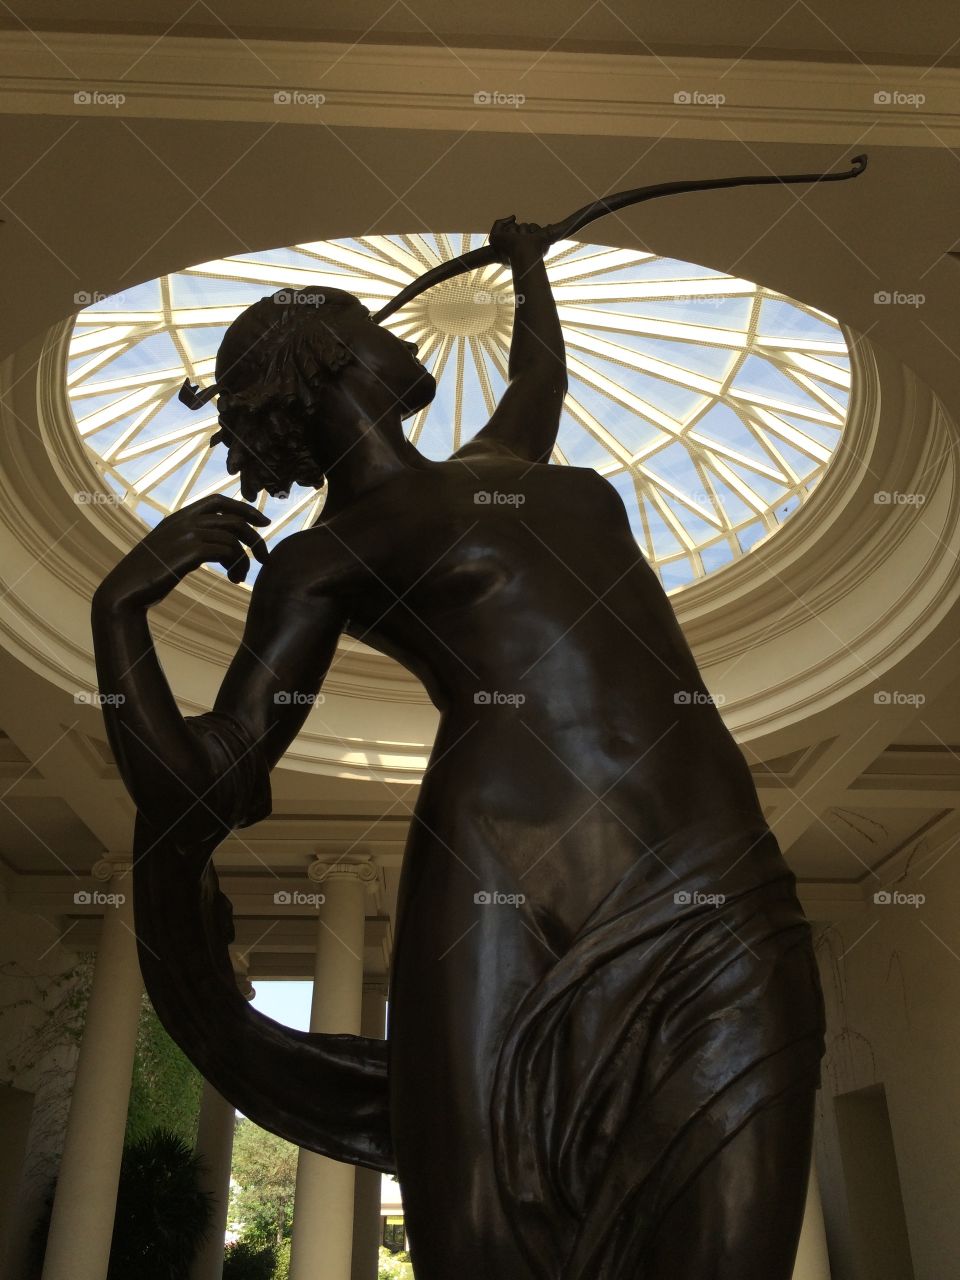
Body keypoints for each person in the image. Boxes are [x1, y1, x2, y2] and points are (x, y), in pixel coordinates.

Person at [91, 217, 824, 1279]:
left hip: (708, 856)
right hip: (500, 879)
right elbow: (213, 778)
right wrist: (120, 611)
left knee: (732, 1217)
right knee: (489, 1236)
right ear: (325, 350)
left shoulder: (499, 463)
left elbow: (540, 378)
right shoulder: (322, 557)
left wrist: (532, 270)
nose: (406, 336)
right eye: (362, 317)